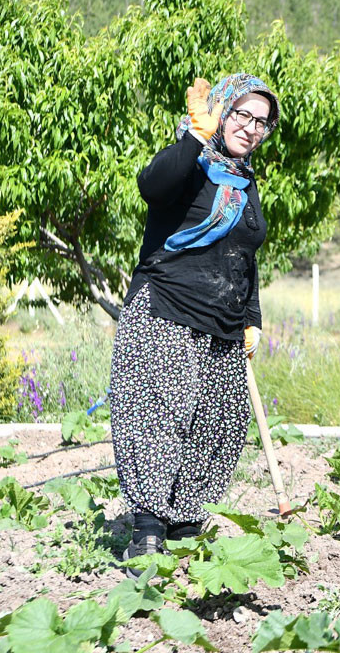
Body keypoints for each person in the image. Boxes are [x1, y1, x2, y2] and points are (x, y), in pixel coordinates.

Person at [110, 73, 279, 569]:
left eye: (262, 122)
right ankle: (147, 530)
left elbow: (246, 254)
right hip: (167, 309)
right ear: (221, 112)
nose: (250, 127)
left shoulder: (245, 181)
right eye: (242, 114)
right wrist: (195, 137)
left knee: (218, 426)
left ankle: (186, 526)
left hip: (223, 324)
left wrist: (252, 317)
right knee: (158, 418)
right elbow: (152, 185)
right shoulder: (192, 162)